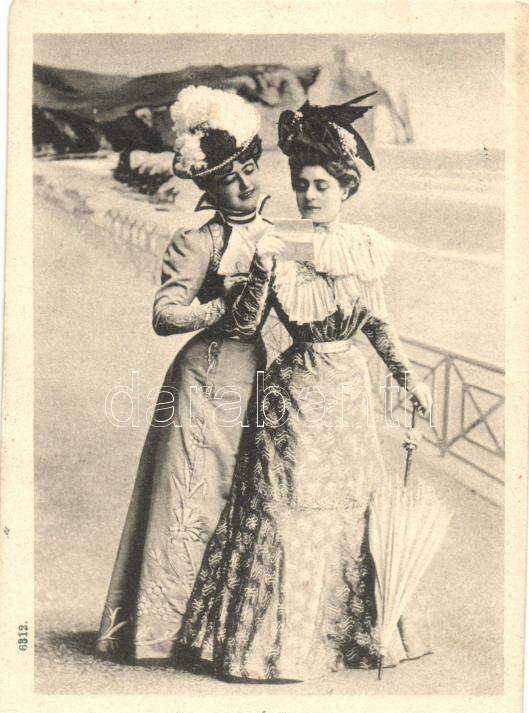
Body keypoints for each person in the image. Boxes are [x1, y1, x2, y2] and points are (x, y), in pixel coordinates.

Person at [177, 94, 432, 681]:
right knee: (287, 508)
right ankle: (278, 649)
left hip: (349, 395)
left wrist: (409, 379)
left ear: (346, 188)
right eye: (301, 185)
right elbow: (245, 325)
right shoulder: (276, 245)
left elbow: (377, 325)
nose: (310, 195)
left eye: (321, 185)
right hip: (293, 397)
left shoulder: (362, 246)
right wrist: (258, 273)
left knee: (354, 506)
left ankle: (357, 638)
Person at [96, 86, 272, 663]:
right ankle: (165, 632)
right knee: (195, 498)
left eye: (247, 171)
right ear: (208, 189)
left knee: (256, 498)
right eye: (227, 180)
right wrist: (221, 305)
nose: (243, 185)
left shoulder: (281, 235)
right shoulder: (197, 242)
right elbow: (164, 315)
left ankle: (231, 633)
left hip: (267, 379)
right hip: (206, 382)